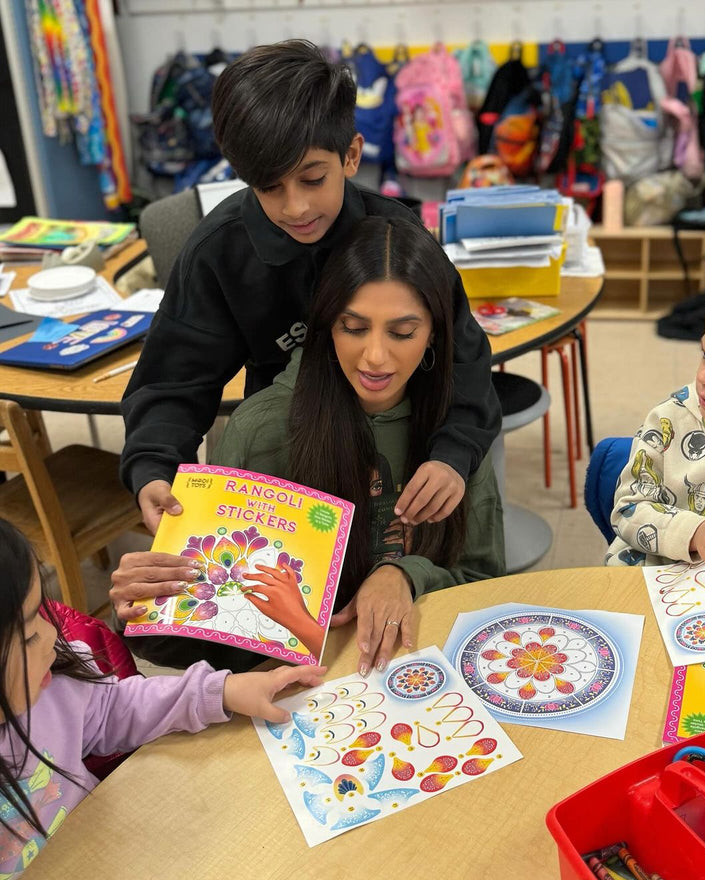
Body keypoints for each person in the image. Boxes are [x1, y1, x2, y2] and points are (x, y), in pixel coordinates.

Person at [120, 39, 501, 537]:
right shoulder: (220, 250)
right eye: (270, 188)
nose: (296, 208)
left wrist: (453, 454)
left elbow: (464, 357)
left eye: (312, 178)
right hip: (288, 453)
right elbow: (174, 379)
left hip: (402, 450)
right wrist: (153, 465)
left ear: (350, 155)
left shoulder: (398, 239)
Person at [113, 217, 506, 675]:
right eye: (354, 328)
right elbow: (219, 632)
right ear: (324, 326)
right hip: (302, 687)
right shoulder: (262, 431)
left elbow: (485, 585)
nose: (375, 357)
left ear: (436, 332)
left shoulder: (455, 435)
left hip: (425, 667)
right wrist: (146, 605)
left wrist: (405, 575)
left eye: (402, 333)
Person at [0, 518, 324, 880]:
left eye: (42, 612)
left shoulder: (54, 687)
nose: (52, 635)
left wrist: (222, 691)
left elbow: (114, 711)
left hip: (113, 863)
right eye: (26, 636)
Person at [606, 294, 705, 571]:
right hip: (654, 578)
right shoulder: (670, 419)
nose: (704, 376)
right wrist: (696, 532)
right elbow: (627, 510)